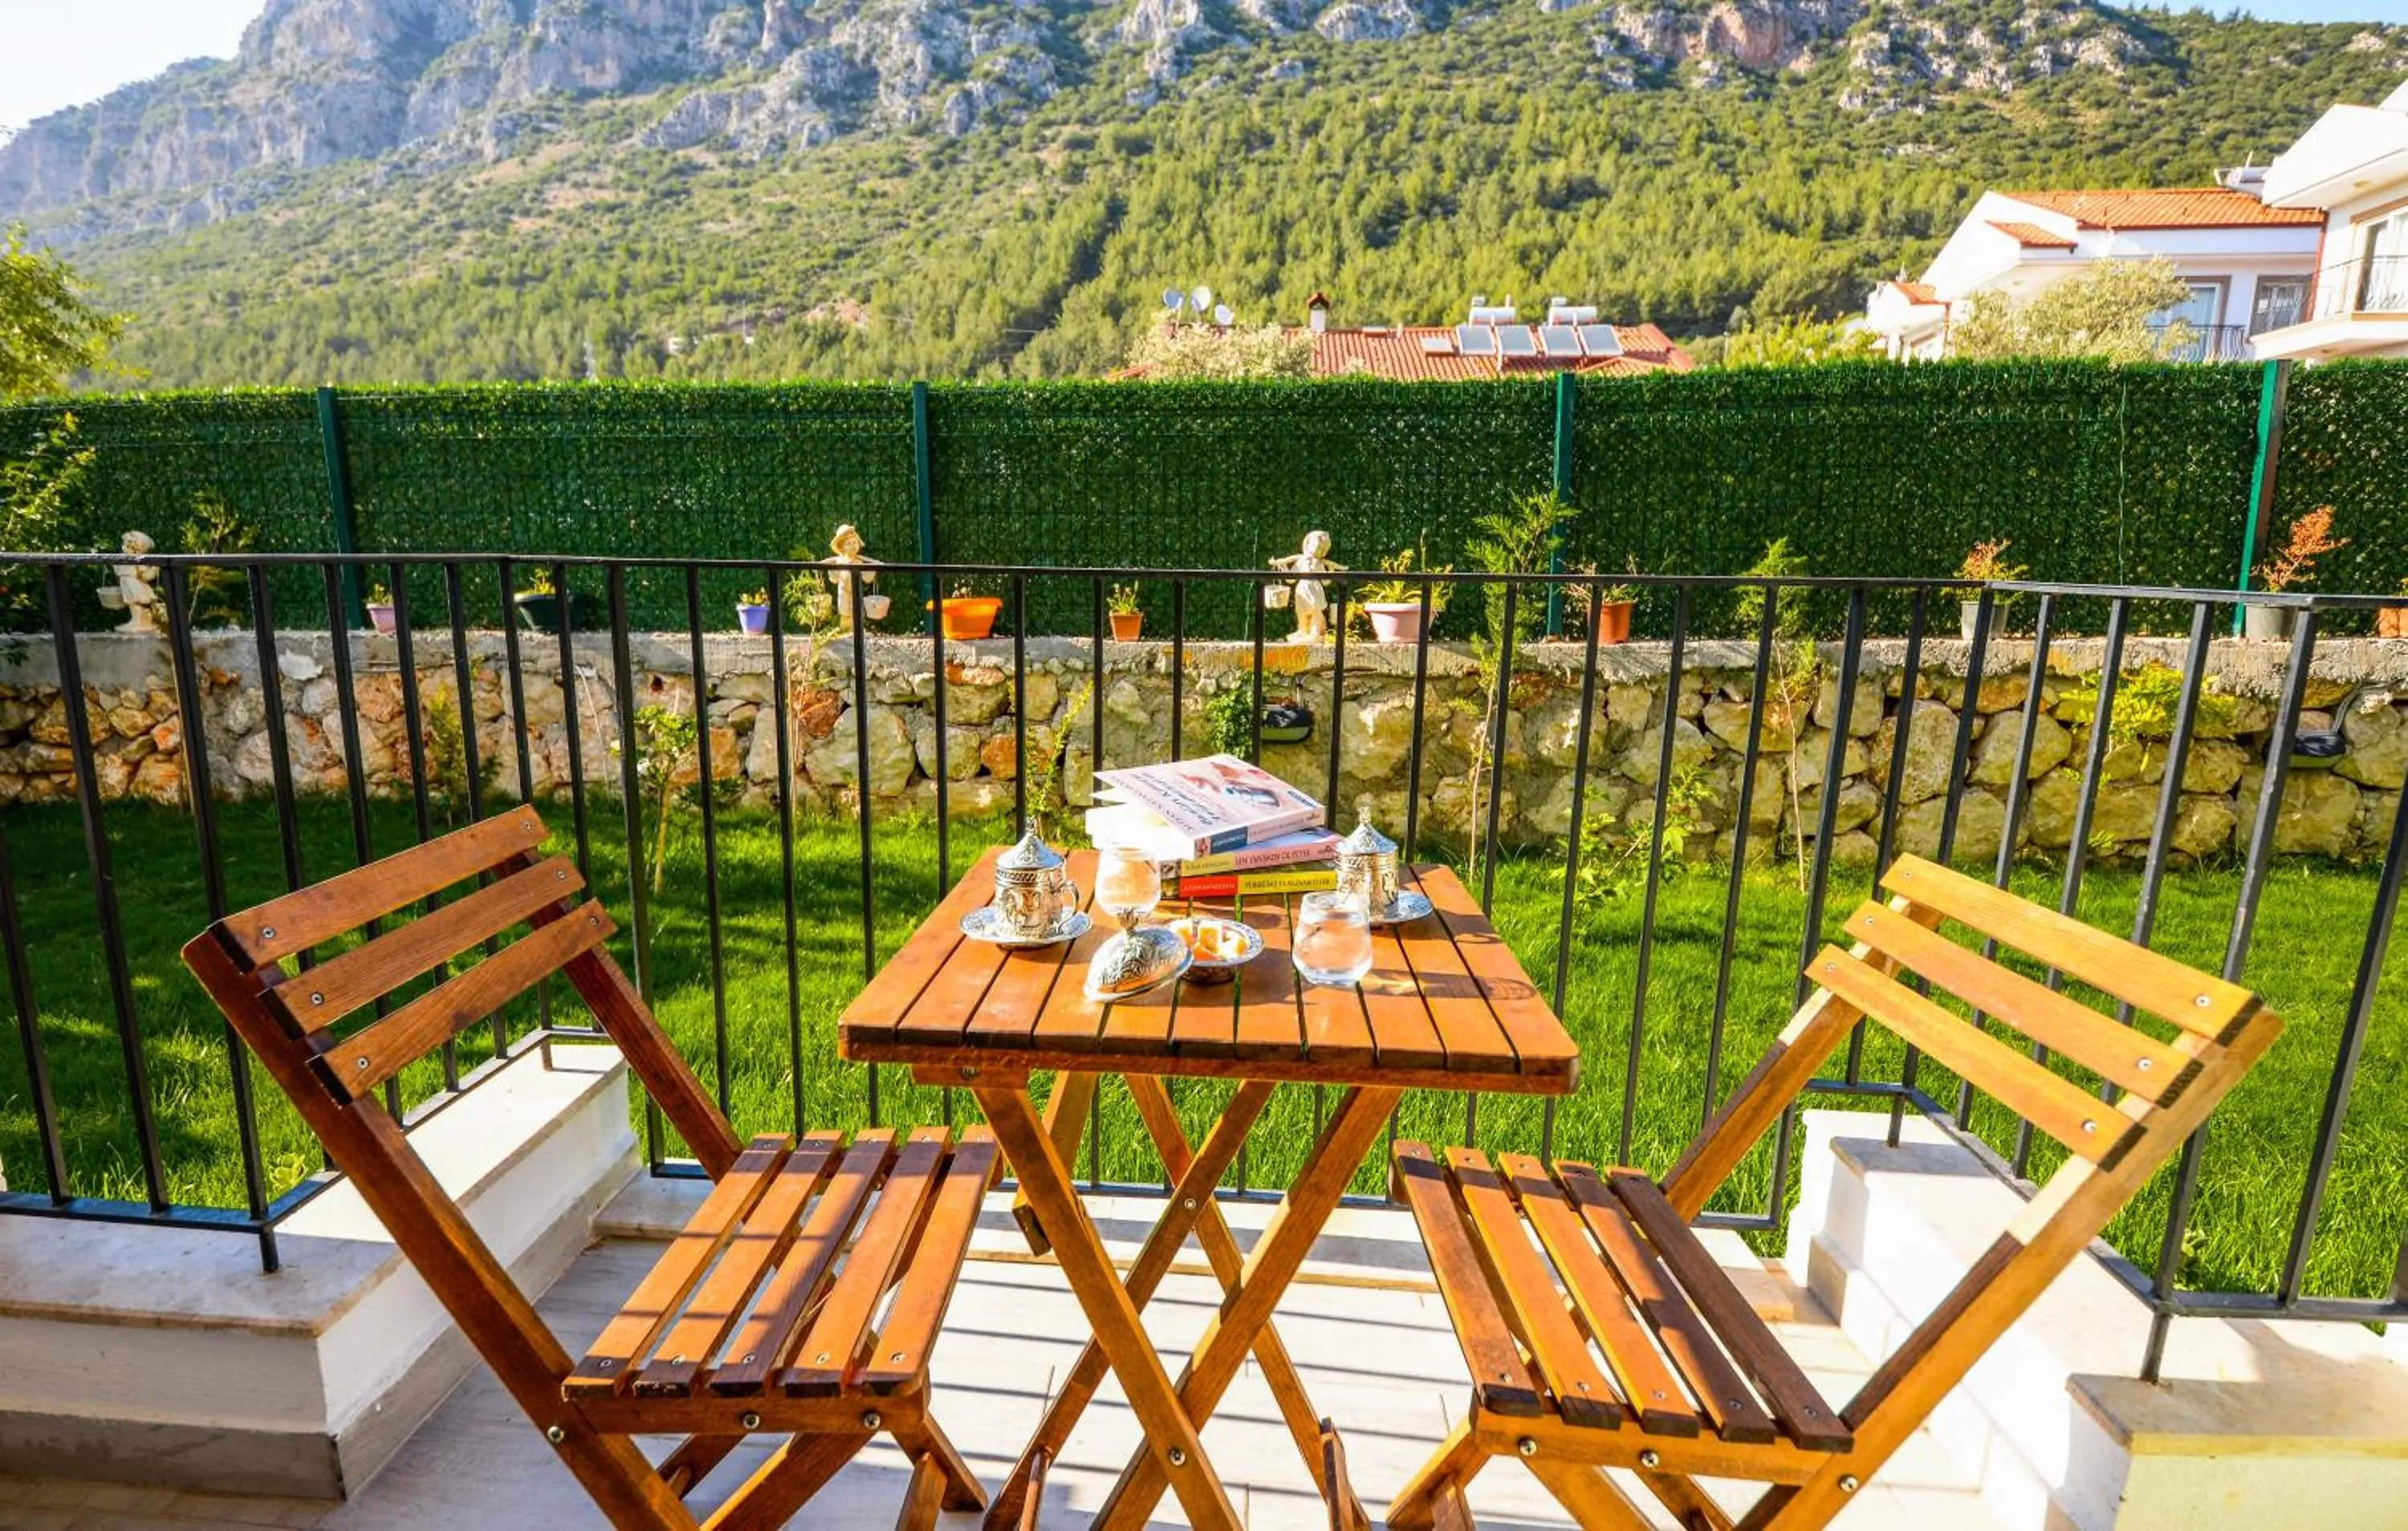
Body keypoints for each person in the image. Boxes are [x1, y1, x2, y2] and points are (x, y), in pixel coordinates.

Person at [1269, 530, 1344, 642]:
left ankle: (1316, 632)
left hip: (1315, 590)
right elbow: (1290, 579)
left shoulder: (1319, 564)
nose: (1316, 553)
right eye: (1315, 548)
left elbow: (1326, 582)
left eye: (1321, 551)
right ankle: (1303, 631)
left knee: (1316, 611)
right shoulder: (1300, 562)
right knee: (1301, 612)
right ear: (1307, 546)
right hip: (1302, 590)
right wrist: (1284, 567)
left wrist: (1331, 571)